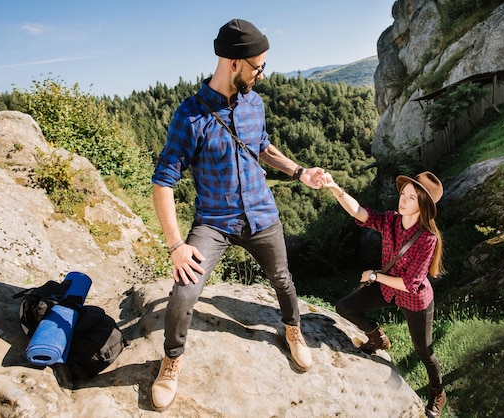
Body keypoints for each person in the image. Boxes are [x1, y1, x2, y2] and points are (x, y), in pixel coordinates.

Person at [150, 18, 325, 411]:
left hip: (262, 213)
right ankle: (172, 360)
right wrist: (177, 245)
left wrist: (300, 172)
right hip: (214, 222)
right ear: (233, 63)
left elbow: (262, 146)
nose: (261, 73)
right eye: (257, 66)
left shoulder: (254, 103)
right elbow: (163, 182)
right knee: (183, 292)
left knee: (282, 278)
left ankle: (293, 330)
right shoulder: (189, 116)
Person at [322, 171, 447, 417]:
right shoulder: (390, 219)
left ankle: (438, 392)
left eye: (411, 198)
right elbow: (359, 212)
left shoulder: (428, 239)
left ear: (423, 205)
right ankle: (377, 337)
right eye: (403, 194)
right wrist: (334, 187)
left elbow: (411, 284)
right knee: (345, 307)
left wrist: (374, 276)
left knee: (424, 351)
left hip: (415, 299)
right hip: (388, 289)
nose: (403, 200)